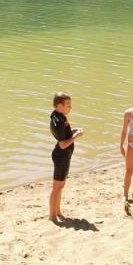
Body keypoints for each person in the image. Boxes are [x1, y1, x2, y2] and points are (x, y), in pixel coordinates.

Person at [49, 92, 84, 223]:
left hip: (64, 156)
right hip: (61, 156)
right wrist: (76, 137)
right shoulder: (57, 121)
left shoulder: (60, 116)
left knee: (60, 186)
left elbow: (64, 135)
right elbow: (63, 144)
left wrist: (73, 131)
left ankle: (58, 211)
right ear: (59, 106)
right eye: (68, 105)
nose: (70, 107)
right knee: (57, 187)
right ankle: (52, 215)